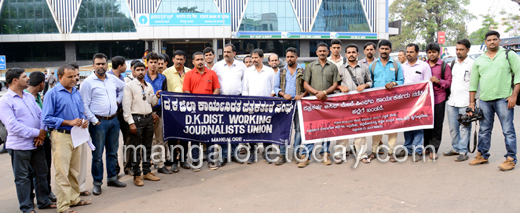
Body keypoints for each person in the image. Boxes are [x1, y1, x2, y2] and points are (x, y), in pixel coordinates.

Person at [0, 68, 57, 213]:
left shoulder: (28, 96)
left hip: (37, 143)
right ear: (15, 80)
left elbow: (41, 114)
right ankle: (26, 207)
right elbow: (13, 126)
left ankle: (43, 201)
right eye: (25, 77)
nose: (28, 79)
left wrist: (42, 133)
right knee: (23, 178)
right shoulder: (5, 101)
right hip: (19, 146)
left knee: (41, 173)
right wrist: (37, 132)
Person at [43, 64, 92, 213]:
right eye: (70, 76)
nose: (74, 79)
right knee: (62, 172)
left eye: (75, 76)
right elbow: (47, 118)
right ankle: (63, 206)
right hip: (61, 136)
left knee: (74, 170)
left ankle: (73, 198)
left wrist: (84, 121)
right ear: (59, 77)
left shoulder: (76, 92)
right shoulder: (52, 94)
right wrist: (67, 122)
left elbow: (81, 112)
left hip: (77, 135)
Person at [468, 31, 520, 171]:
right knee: (484, 130)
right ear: (485, 42)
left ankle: (510, 159)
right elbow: (473, 84)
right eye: (489, 40)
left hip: (504, 98)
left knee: (508, 130)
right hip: (485, 100)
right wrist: (472, 103)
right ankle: (482, 155)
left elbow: (519, 77)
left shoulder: (509, 55)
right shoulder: (479, 60)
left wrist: (514, 96)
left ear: (499, 40)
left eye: (494, 39)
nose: (492, 42)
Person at [79, 53, 126, 196]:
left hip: (114, 120)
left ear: (107, 65)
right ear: (93, 65)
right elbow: (84, 105)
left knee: (113, 152)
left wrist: (118, 100)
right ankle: (97, 183)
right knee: (98, 155)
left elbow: (125, 88)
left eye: (103, 64)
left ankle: (112, 178)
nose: (101, 66)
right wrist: (94, 120)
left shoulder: (112, 78)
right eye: (98, 64)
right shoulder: (87, 82)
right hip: (99, 123)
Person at [298, 43, 341, 168]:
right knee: (311, 128)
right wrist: (317, 93)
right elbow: (305, 84)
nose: (322, 53)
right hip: (312, 102)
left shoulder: (332, 67)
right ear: (316, 52)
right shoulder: (310, 66)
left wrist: (325, 92)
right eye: (320, 51)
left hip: (327, 102)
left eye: (324, 51)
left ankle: (325, 153)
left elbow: (335, 84)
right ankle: (306, 155)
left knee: (327, 129)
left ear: (328, 52)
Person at [123, 62, 162, 186]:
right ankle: (136, 175)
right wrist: (130, 122)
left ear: (145, 71)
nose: (140, 72)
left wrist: (156, 96)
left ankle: (146, 171)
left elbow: (152, 102)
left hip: (148, 119)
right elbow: (126, 107)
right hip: (136, 119)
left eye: (142, 70)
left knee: (147, 147)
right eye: (138, 70)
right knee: (135, 148)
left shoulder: (148, 86)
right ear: (133, 72)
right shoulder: (129, 86)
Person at [183, 52, 221, 171]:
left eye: (202, 59)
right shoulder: (188, 75)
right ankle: (195, 161)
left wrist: (210, 102)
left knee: (209, 136)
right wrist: (195, 105)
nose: (200, 61)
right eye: (197, 59)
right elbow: (186, 91)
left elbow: (217, 89)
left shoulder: (212, 73)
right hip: (195, 111)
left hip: (209, 110)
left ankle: (211, 161)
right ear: (193, 62)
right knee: (195, 137)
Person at [335, 44, 373, 164]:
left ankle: (361, 154)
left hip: (360, 103)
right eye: (349, 52)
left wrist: (365, 85)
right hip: (345, 104)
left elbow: (370, 81)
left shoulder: (364, 67)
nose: (351, 54)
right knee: (343, 128)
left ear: (357, 54)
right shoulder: (340, 68)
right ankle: (340, 154)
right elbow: (334, 84)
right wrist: (340, 87)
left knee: (360, 128)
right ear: (345, 54)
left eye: (353, 52)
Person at [369, 39, 404, 162]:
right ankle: (374, 150)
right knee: (376, 126)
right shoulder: (372, 65)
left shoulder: (396, 65)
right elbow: (369, 83)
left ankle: (391, 152)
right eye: (382, 48)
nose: (384, 51)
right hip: (376, 102)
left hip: (392, 102)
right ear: (378, 50)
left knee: (392, 127)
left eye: (386, 49)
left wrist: (394, 83)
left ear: (390, 50)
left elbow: (401, 81)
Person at [212, 43, 247, 166]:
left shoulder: (242, 66)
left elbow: (245, 83)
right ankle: (223, 155)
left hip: (237, 100)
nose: (226, 54)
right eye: (224, 52)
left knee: (235, 128)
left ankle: (235, 154)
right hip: (221, 101)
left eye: (228, 52)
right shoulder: (217, 66)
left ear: (234, 53)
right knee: (222, 129)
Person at [25, 71, 57, 203]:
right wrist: (38, 134)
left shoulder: (39, 97)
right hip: (31, 139)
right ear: (42, 83)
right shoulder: (25, 97)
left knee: (45, 168)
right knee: (30, 172)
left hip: (44, 138)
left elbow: (44, 117)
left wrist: (43, 134)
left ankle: (46, 192)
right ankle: (30, 197)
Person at [274, 47, 308, 166]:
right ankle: (282, 154)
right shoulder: (281, 71)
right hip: (285, 104)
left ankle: (296, 153)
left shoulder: (303, 71)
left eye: (292, 56)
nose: (289, 59)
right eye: (287, 57)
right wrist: (283, 94)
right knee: (283, 129)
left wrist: (302, 95)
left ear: (296, 57)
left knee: (298, 129)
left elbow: (307, 88)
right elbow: (276, 87)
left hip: (298, 104)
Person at [399, 43, 432, 162]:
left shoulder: (424, 66)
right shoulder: (402, 66)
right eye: (407, 52)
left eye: (411, 52)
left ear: (417, 53)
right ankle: (407, 148)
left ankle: (418, 150)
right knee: (407, 124)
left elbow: (428, 84)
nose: (408, 54)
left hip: (420, 101)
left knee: (418, 125)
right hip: (405, 101)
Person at [243, 49, 276, 164]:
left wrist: (269, 100)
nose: (254, 60)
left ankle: (267, 153)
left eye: (256, 57)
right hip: (251, 106)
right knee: (252, 131)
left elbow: (273, 88)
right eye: (253, 58)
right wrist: (247, 105)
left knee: (267, 130)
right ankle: (252, 153)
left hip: (266, 106)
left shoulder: (269, 71)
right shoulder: (247, 71)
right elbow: (245, 90)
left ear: (262, 58)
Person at [445, 39, 474, 162]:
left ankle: (463, 151)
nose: (458, 52)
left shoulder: (472, 64)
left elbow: (476, 84)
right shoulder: (452, 64)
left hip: (465, 102)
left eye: (461, 49)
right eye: (457, 49)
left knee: (464, 128)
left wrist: (472, 102)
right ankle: (456, 148)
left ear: (468, 50)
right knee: (453, 127)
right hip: (452, 101)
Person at [163, 50, 192, 172]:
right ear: (173, 59)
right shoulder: (166, 73)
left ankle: (183, 160)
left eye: (181, 59)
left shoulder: (190, 72)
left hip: (187, 109)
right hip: (172, 110)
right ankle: (174, 161)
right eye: (177, 59)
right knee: (173, 136)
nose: (179, 61)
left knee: (185, 135)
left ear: (184, 60)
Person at [143, 52, 172, 175]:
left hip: (159, 112)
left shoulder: (162, 78)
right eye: (151, 62)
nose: (154, 65)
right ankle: (147, 165)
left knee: (160, 139)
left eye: (156, 62)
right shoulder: (142, 78)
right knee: (147, 141)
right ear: (147, 63)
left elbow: (165, 96)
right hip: (145, 112)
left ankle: (160, 164)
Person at [424, 42, 452, 160]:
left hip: (438, 99)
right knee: (425, 123)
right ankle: (426, 147)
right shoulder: (422, 65)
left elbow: (449, 82)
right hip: (424, 100)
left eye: (434, 52)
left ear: (438, 53)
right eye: (429, 52)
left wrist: (438, 81)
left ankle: (434, 149)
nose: (431, 55)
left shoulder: (444, 66)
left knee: (437, 125)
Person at [107, 56, 127, 176]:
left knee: (127, 141)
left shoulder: (121, 78)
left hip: (122, 113)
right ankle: (114, 169)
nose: (126, 67)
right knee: (113, 144)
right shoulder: (108, 77)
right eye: (125, 65)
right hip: (112, 114)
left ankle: (127, 166)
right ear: (120, 66)